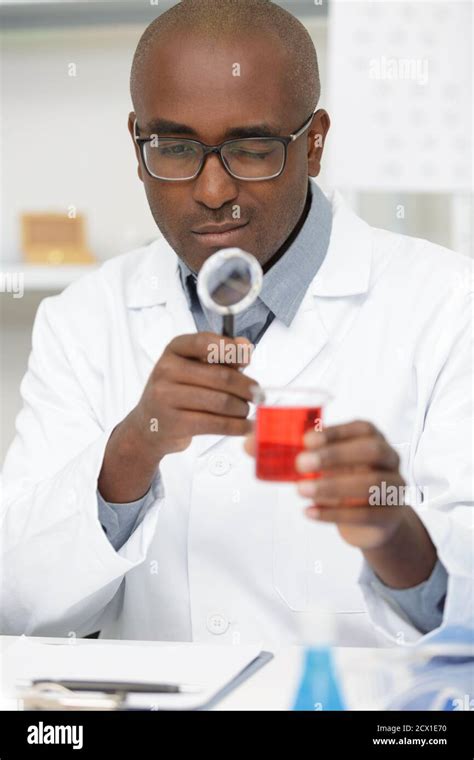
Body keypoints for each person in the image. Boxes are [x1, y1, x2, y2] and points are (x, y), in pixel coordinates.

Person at [1, 0, 472, 649]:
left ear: (313, 143)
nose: (213, 189)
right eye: (176, 147)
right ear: (139, 147)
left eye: (251, 148)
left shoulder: (449, 304)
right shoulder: (83, 320)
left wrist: (395, 534)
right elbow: (19, 604)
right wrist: (133, 450)